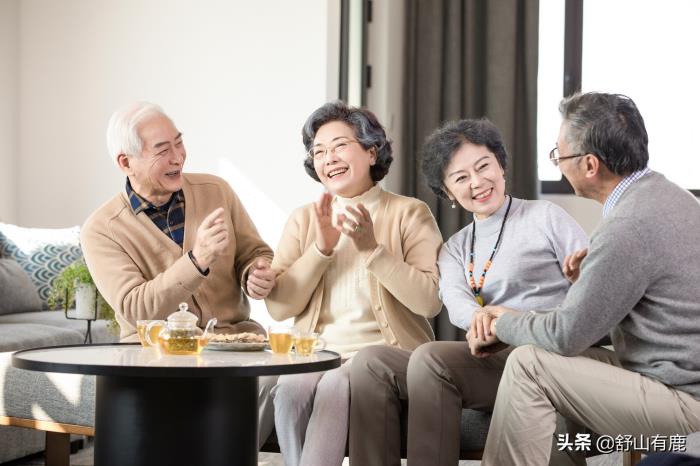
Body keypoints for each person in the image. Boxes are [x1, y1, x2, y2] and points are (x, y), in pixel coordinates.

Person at [471, 92, 700, 466]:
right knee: (550, 357)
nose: (558, 165)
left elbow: (568, 334)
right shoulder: (670, 198)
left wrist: (502, 324)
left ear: (590, 165)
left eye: (559, 156)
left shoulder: (628, 225)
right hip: (670, 377)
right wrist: (590, 282)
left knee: (530, 364)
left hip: (685, 404)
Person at [349, 118, 589, 466]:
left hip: (548, 353)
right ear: (447, 192)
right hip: (492, 355)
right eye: (461, 178)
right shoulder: (455, 248)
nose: (477, 182)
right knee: (371, 361)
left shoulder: (546, 216)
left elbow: (594, 284)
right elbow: (455, 300)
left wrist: (512, 321)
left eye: (483, 166)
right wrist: (482, 320)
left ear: (501, 165)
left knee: (431, 357)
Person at [80, 101, 277, 445]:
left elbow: (254, 253)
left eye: (179, 142)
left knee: (281, 386)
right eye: (162, 150)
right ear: (126, 162)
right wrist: (197, 260)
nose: (178, 157)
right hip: (155, 356)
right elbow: (136, 308)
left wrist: (256, 273)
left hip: (233, 344)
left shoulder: (216, 190)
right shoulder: (102, 229)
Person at [264, 101, 443, 466]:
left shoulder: (409, 213)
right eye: (318, 151)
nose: (328, 158)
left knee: (335, 383)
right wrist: (321, 250)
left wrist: (373, 250)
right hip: (315, 354)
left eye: (340, 146)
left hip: (386, 358)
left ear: (371, 151)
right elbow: (280, 308)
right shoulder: (303, 220)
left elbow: (430, 301)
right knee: (290, 387)